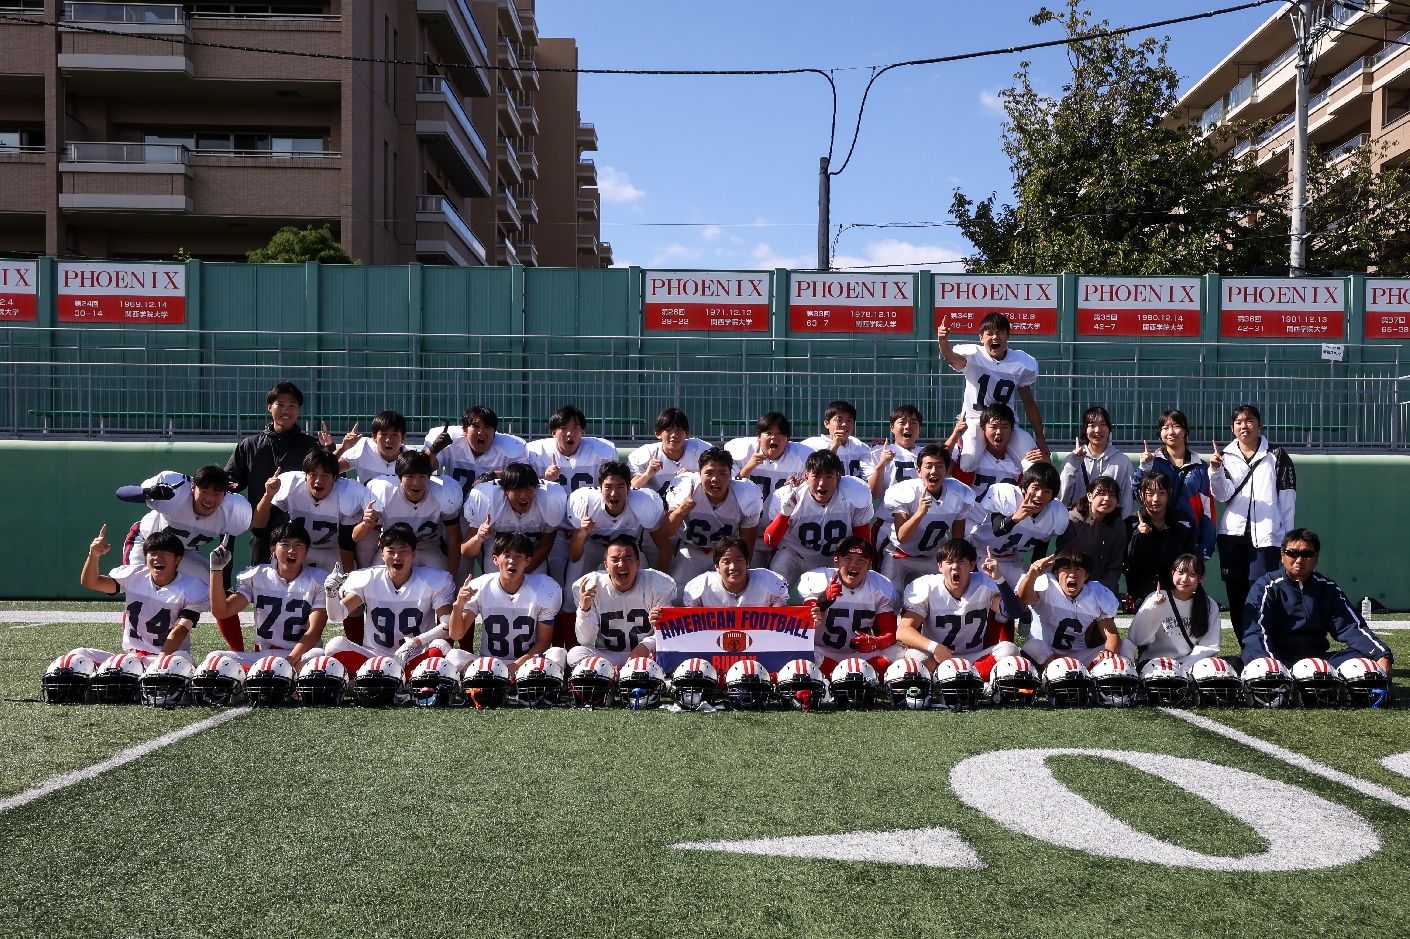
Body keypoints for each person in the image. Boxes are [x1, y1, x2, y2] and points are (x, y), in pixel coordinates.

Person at [116, 464, 251, 652]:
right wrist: (148, 493)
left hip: (183, 553)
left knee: (220, 595)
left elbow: (227, 546)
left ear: (225, 495)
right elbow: (122, 493)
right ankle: (134, 653)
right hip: (148, 545)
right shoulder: (175, 491)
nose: (209, 499)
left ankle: (239, 654)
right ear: (193, 487)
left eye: (217, 494)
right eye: (204, 491)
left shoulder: (233, 510)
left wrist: (222, 581)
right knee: (139, 593)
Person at [1241, 529, 1392, 680]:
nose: (1299, 560)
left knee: (1366, 660)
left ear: (1316, 558)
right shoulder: (1266, 586)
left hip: (1317, 660)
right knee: (1254, 659)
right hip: (1277, 657)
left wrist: (1381, 654)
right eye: (1292, 554)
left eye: (1306, 554)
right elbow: (1255, 631)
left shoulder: (1327, 588)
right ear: (1282, 556)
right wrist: (1269, 663)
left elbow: (1352, 627)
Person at [315, 523, 458, 674]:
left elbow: (448, 624)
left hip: (415, 655)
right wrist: (331, 595)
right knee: (335, 645)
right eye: (391, 551)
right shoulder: (368, 579)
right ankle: (401, 677)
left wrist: (415, 643)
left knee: (441, 646)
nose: (397, 556)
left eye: (403, 551)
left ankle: (377, 677)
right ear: (382, 554)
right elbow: (337, 616)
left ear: (413, 554)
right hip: (374, 657)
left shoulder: (432, 580)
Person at [1210, 404, 1297, 637]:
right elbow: (1222, 495)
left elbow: (1287, 499)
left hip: (1267, 538)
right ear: (1232, 428)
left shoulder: (1277, 455)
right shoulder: (1225, 456)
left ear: (1260, 425)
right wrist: (1215, 471)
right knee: (1237, 599)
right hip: (1231, 537)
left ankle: (1266, 648)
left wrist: (1287, 538)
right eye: (1238, 422)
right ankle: (1247, 649)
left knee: (1262, 595)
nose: (1244, 426)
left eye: (1249, 421)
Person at [225, 381, 332, 564]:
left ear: (298, 410)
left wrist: (329, 451)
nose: (286, 410)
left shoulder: (312, 446)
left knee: (303, 590)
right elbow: (231, 481)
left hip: (302, 539)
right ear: (269, 407)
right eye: (280, 404)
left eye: (292, 405)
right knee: (259, 590)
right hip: (263, 535)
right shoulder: (250, 446)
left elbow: (332, 481)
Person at [74, 526, 208, 666]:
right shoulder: (133, 576)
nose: (158, 558)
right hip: (132, 659)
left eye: (165, 553)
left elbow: (180, 630)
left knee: (181, 658)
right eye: (153, 553)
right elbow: (91, 582)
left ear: (177, 559)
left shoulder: (192, 587)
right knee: (80, 655)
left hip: (169, 659)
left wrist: (160, 662)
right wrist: (93, 555)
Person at [936, 311, 1048, 473]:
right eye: (990, 333)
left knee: (1034, 463)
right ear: (981, 337)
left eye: (1000, 332)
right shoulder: (973, 356)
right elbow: (952, 358)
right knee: (968, 463)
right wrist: (943, 342)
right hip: (975, 420)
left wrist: (1041, 438)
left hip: (1005, 424)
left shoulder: (1021, 362)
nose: (995, 337)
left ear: (1008, 336)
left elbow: (1029, 403)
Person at [896, 539, 1022, 680]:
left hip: (974, 658)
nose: (955, 567)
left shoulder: (984, 584)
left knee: (1010, 649)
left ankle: (945, 680)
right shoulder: (928, 587)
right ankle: (972, 680)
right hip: (939, 657)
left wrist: (999, 579)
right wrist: (934, 647)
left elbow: (1013, 612)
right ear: (940, 566)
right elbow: (903, 631)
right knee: (913, 654)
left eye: (961, 562)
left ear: (972, 565)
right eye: (949, 562)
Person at [207, 522, 328, 670]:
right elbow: (222, 611)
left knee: (319, 656)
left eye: (298, 545)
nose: (292, 550)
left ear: (306, 551)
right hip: (266, 654)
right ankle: (278, 676)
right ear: (273, 550)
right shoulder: (256, 576)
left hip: (302, 655)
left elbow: (314, 632)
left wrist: (288, 661)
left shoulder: (319, 579)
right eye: (285, 544)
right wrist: (216, 571)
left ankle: (260, 676)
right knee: (215, 657)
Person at [449, 532, 567, 674]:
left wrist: (517, 665)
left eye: (519, 556)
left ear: (527, 562)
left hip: (528, 663)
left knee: (558, 653)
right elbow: (456, 635)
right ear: (495, 559)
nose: (512, 561)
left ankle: (489, 680)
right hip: (490, 664)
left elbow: (544, 641)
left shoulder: (544, 588)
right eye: (506, 555)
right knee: (453, 656)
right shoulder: (480, 586)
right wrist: (458, 606)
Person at [652, 446, 763, 597]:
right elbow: (667, 531)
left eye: (722, 473)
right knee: (677, 596)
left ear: (731, 476)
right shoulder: (686, 487)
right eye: (709, 473)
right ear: (699, 474)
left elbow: (747, 544)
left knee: (727, 598)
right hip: (691, 550)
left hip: (726, 555)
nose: (715, 479)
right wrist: (680, 511)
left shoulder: (746, 494)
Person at [761, 450, 876, 588]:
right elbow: (770, 541)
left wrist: (852, 563)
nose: (822, 483)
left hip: (835, 557)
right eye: (816, 476)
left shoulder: (855, 492)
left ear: (838, 479)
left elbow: (862, 542)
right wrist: (784, 514)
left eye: (828, 477)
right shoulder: (788, 495)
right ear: (806, 477)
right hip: (796, 554)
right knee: (774, 585)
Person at [879, 443, 975, 598]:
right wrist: (919, 513)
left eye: (939, 466)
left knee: (938, 601)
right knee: (889, 600)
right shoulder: (905, 491)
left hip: (933, 557)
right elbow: (902, 537)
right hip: (900, 556)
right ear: (918, 470)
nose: (934, 471)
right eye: (928, 466)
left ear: (947, 470)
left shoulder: (959, 493)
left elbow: (957, 540)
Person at [250, 449, 366, 575]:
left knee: (343, 587)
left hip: (334, 549)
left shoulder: (347, 493)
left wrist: (347, 579)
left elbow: (346, 542)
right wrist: (268, 496)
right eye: (313, 474)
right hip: (299, 547)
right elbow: (258, 524)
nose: (318, 480)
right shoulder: (292, 486)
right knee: (278, 577)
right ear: (305, 475)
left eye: (325, 475)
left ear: (335, 478)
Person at [569, 534, 676, 669]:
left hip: (646, 655)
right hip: (608, 655)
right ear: (606, 565)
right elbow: (585, 640)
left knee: (669, 653)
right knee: (575, 653)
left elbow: (668, 632)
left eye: (628, 558)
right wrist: (585, 609)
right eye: (615, 560)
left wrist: (647, 645)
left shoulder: (656, 584)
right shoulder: (592, 586)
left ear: (638, 563)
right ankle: (616, 671)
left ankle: (610, 674)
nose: (621, 564)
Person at [797, 537, 902, 675]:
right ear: (837, 560)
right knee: (804, 652)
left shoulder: (879, 585)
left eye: (861, 560)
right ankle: (860, 676)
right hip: (823, 653)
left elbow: (890, 633)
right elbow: (808, 622)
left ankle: (850, 676)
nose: (854, 565)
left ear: (869, 564)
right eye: (848, 558)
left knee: (897, 654)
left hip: (860, 655)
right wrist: (822, 602)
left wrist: (876, 642)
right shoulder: (819, 579)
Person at [1016, 547, 1134, 668]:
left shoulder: (1096, 594)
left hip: (1078, 658)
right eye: (1066, 568)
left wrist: (1108, 652)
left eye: (1078, 569)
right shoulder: (1046, 585)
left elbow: (1111, 635)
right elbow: (1024, 598)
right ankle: (1055, 677)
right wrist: (1031, 576)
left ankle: (1120, 680)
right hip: (1047, 657)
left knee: (1125, 645)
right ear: (1056, 573)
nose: (1072, 574)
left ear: (1086, 575)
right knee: (1034, 646)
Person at [357, 451, 464, 580]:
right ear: (399, 477)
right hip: (394, 549)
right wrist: (365, 524)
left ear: (429, 477)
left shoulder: (443, 494)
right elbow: (356, 537)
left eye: (422, 476)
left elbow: (455, 539)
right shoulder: (384, 493)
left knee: (441, 582)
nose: (416, 483)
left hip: (428, 547)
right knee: (375, 580)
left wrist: (450, 578)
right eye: (410, 476)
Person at [964, 462, 1069, 588]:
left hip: (1012, 559)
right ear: (1024, 488)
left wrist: (1035, 574)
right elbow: (998, 529)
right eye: (1035, 488)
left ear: (1052, 496)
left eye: (1047, 491)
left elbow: (1041, 545)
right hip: (981, 554)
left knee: (1036, 590)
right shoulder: (1009, 496)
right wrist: (1015, 518)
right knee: (989, 594)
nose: (1040, 495)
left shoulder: (1055, 513)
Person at [564, 461, 664, 589]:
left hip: (626, 552)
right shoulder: (586, 503)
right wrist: (583, 533)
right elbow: (574, 556)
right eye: (608, 487)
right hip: (592, 547)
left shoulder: (643, 503)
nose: (613, 493)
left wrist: (660, 583)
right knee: (571, 594)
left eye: (620, 487)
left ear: (629, 487)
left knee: (644, 588)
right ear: (600, 487)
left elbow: (665, 548)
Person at [1133, 409, 1215, 559]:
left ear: (1185, 430)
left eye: (1176, 426)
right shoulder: (1152, 462)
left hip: (1188, 538)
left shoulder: (1200, 467)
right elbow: (1137, 494)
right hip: (1155, 535)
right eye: (1165, 428)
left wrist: (1205, 549)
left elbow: (1207, 511)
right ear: (1160, 433)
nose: (1171, 432)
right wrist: (1143, 468)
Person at [460, 461, 567, 576]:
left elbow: (544, 547)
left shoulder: (549, 499)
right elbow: (466, 551)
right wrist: (478, 538)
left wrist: (516, 575)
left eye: (529, 489)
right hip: (497, 563)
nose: (524, 496)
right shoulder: (487, 501)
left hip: (531, 562)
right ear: (505, 491)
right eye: (517, 490)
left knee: (543, 587)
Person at [1127, 553, 1222, 669]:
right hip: (1156, 664)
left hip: (1190, 664)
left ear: (1200, 578)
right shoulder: (1156, 598)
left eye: (1192, 574)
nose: (1185, 579)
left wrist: (1185, 667)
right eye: (1180, 572)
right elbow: (1137, 638)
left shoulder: (1209, 605)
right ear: (1172, 573)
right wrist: (1154, 608)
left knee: (1234, 663)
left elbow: (1210, 645)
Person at [1124, 471, 1197, 604]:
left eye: (1162, 493)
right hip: (1142, 588)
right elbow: (1130, 564)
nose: (1156, 499)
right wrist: (1138, 536)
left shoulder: (1184, 521)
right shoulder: (1131, 523)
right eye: (1150, 494)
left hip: (1176, 584)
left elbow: (1190, 557)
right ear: (1141, 494)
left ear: (1169, 494)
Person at [426, 406, 528, 494]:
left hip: (489, 508)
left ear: (494, 433)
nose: (481, 432)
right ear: (465, 430)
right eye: (476, 426)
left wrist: (494, 475)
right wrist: (433, 450)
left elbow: (524, 475)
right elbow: (422, 469)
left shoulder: (509, 448)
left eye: (487, 427)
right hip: (452, 509)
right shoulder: (451, 441)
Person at [1055, 475, 1127, 598]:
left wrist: (1101, 591)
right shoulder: (1071, 520)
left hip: (1102, 591)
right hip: (1070, 588)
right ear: (1089, 496)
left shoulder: (1118, 525)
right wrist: (1088, 530)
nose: (1107, 499)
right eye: (1101, 494)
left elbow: (1115, 564)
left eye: (1112, 495)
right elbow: (1067, 557)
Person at [525, 405, 620, 496]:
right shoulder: (536, 452)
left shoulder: (602, 451)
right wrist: (544, 478)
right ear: (554, 433)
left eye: (575, 427)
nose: (570, 433)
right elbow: (521, 487)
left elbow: (615, 485)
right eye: (563, 428)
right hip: (551, 510)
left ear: (582, 432)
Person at [1059, 406, 1134, 519]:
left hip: (1109, 524)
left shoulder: (1123, 461)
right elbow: (1062, 497)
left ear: (1109, 428)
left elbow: (1127, 501)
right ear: (1085, 429)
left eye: (1103, 424)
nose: (1097, 430)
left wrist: (1125, 529)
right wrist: (1073, 463)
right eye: (1091, 425)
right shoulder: (1072, 459)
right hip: (1079, 523)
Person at [725, 411, 813, 505]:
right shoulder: (743, 452)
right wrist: (748, 467)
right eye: (768, 433)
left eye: (779, 433)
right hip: (749, 516)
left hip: (783, 517)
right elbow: (731, 490)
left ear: (787, 438)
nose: (774, 437)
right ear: (759, 437)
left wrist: (801, 484)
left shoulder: (801, 457)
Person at [681, 535, 790, 608]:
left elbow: (783, 618)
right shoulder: (701, 586)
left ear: (747, 562)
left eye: (739, 560)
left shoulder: (769, 582)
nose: (733, 567)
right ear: (717, 566)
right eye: (726, 561)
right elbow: (691, 626)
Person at [949, 403, 1027, 499]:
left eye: (1004, 427)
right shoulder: (968, 454)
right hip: (971, 513)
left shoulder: (1019, 461)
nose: (999, 432)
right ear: (983, 430)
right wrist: (954, 436)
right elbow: (943, 466)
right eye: (993, 427)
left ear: (1011, 430)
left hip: (1009, 514)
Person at [627, 407, 709, 495]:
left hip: (689, 506)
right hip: (654, 506)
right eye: (668, 430)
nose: (674, 435)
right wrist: (647, 475)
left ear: (687, 433)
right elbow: (631, 490)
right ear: (658, 433)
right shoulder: (646, 454)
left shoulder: (700, 450)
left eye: (679, 429)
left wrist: (695, 476)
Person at [862, 404, 923, 499]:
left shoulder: (927, 454)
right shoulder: (876, 453)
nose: (908, 427)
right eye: (902, 422)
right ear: (892, 427)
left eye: (913, 423)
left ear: (920, 429)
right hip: (889, 513)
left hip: (921, 512)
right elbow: (873, 494)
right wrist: (881, 465)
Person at [336, 410, 415, 482]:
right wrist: (343, 448)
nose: (388, 440)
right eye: (383, 434)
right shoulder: (363, 447)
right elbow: (328, 470)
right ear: (374, 437)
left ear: (403, 438)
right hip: (366, 497)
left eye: (394, 435)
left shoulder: (413, 458)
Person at [799, 400, 870, 479]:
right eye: (839, 420)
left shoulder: (859, 445)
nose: (844, 424)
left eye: (849, 420)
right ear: (826, 423)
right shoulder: (811, 445)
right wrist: (834, 447)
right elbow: (817, 477)